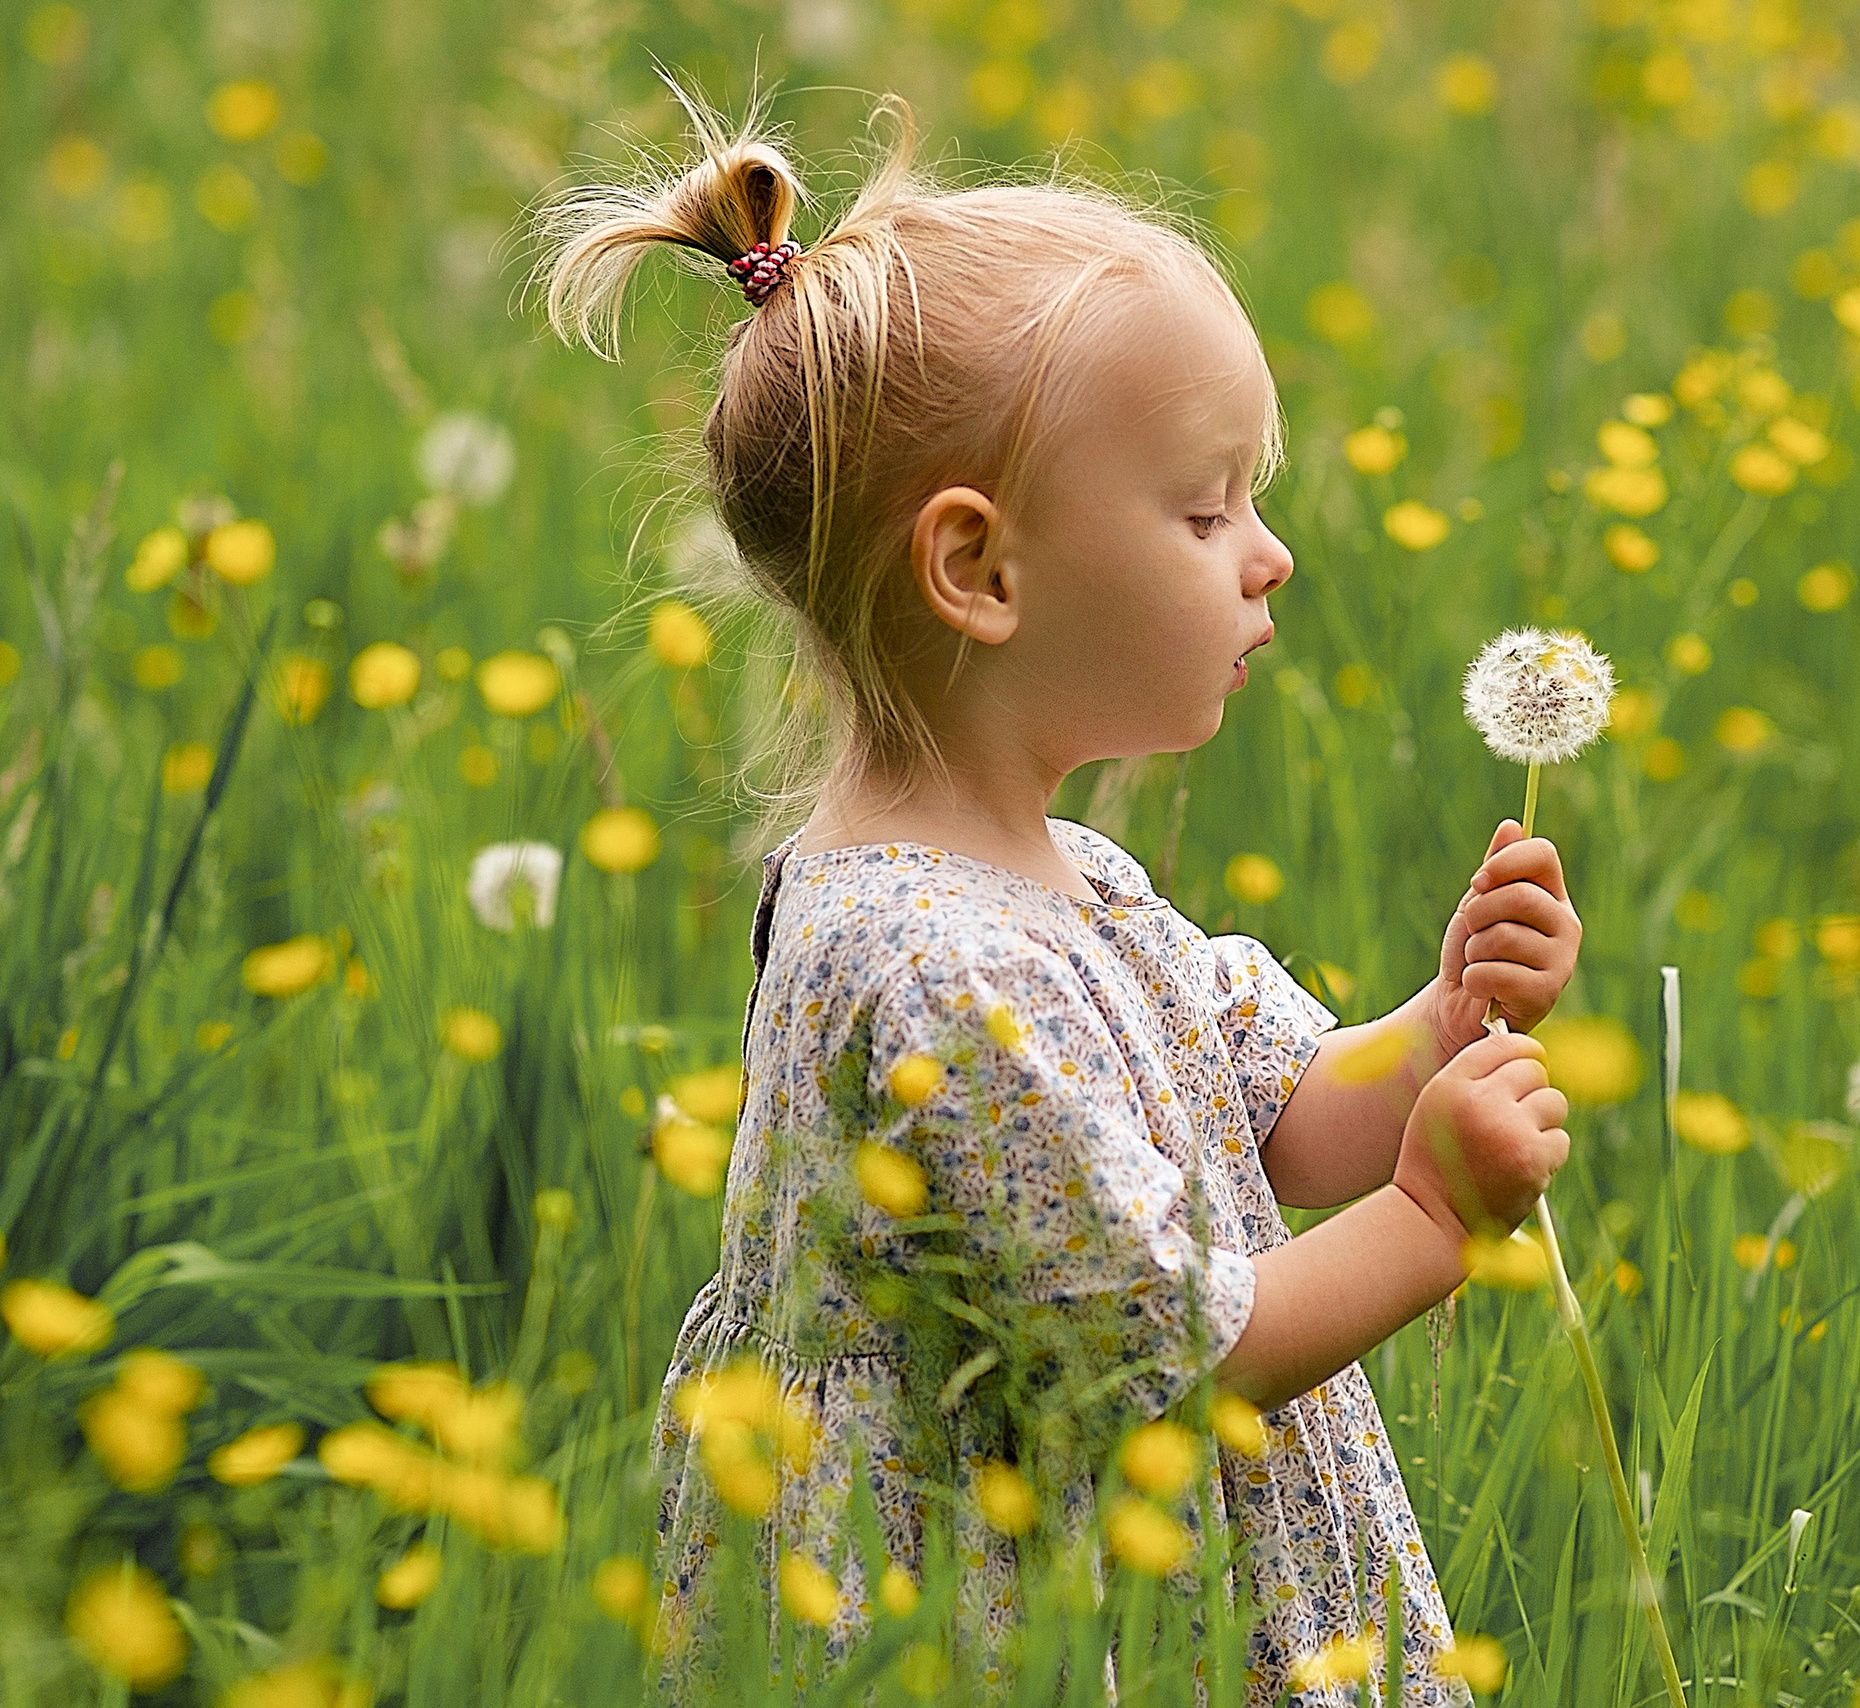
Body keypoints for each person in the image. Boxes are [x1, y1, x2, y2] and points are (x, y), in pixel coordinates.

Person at [535, 81, 1581, 1705]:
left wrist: (1439, 1026)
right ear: (980, 571)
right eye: (1205, 510)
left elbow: (1280, 1123)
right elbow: (1177, 1355)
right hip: (991, 1624)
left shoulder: (1068, 884)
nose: (1269, 555)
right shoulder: (933, 967)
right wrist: (1436, 1217)